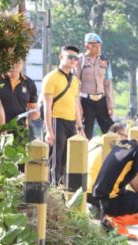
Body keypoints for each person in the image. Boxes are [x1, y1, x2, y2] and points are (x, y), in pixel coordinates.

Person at [92, 133, 138, 239]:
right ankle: (115, 221)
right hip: (111, 200)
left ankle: (110, 221)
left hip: (100, 200)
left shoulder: (125, 143)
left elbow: (130, 180)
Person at [43, 45, 83, 186]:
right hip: (56, 120)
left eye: (75, 58)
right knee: (55, 160)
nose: (73, 60)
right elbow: (47, 107)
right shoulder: (51, 78)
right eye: (70, 57)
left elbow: (76, 105)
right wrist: (49, 130)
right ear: (61, 57)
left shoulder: (75, 81)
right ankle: (54, 190)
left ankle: (65, 189)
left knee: (68, 159)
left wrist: (80, 127)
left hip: (70, 122)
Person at [76, 32, 115, 139]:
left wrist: (110, 105)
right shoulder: (80, 60)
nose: (97, 48)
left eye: (99, 45)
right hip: (86, 101)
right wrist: (78, 105)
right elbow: (75, 84)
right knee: (85, 134)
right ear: (86, 46)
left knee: (111, 132)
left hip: (101, 101)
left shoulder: (105, 61)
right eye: (94, 46)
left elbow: (108, 84)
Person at [0, 59, 39, 141]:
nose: (13, 66)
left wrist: (35, 113)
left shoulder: (29, 83)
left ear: (23, 62)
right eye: (10, 62)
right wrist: (1, 127)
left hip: (20, 130)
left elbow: (33, 109)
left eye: (17, 62)